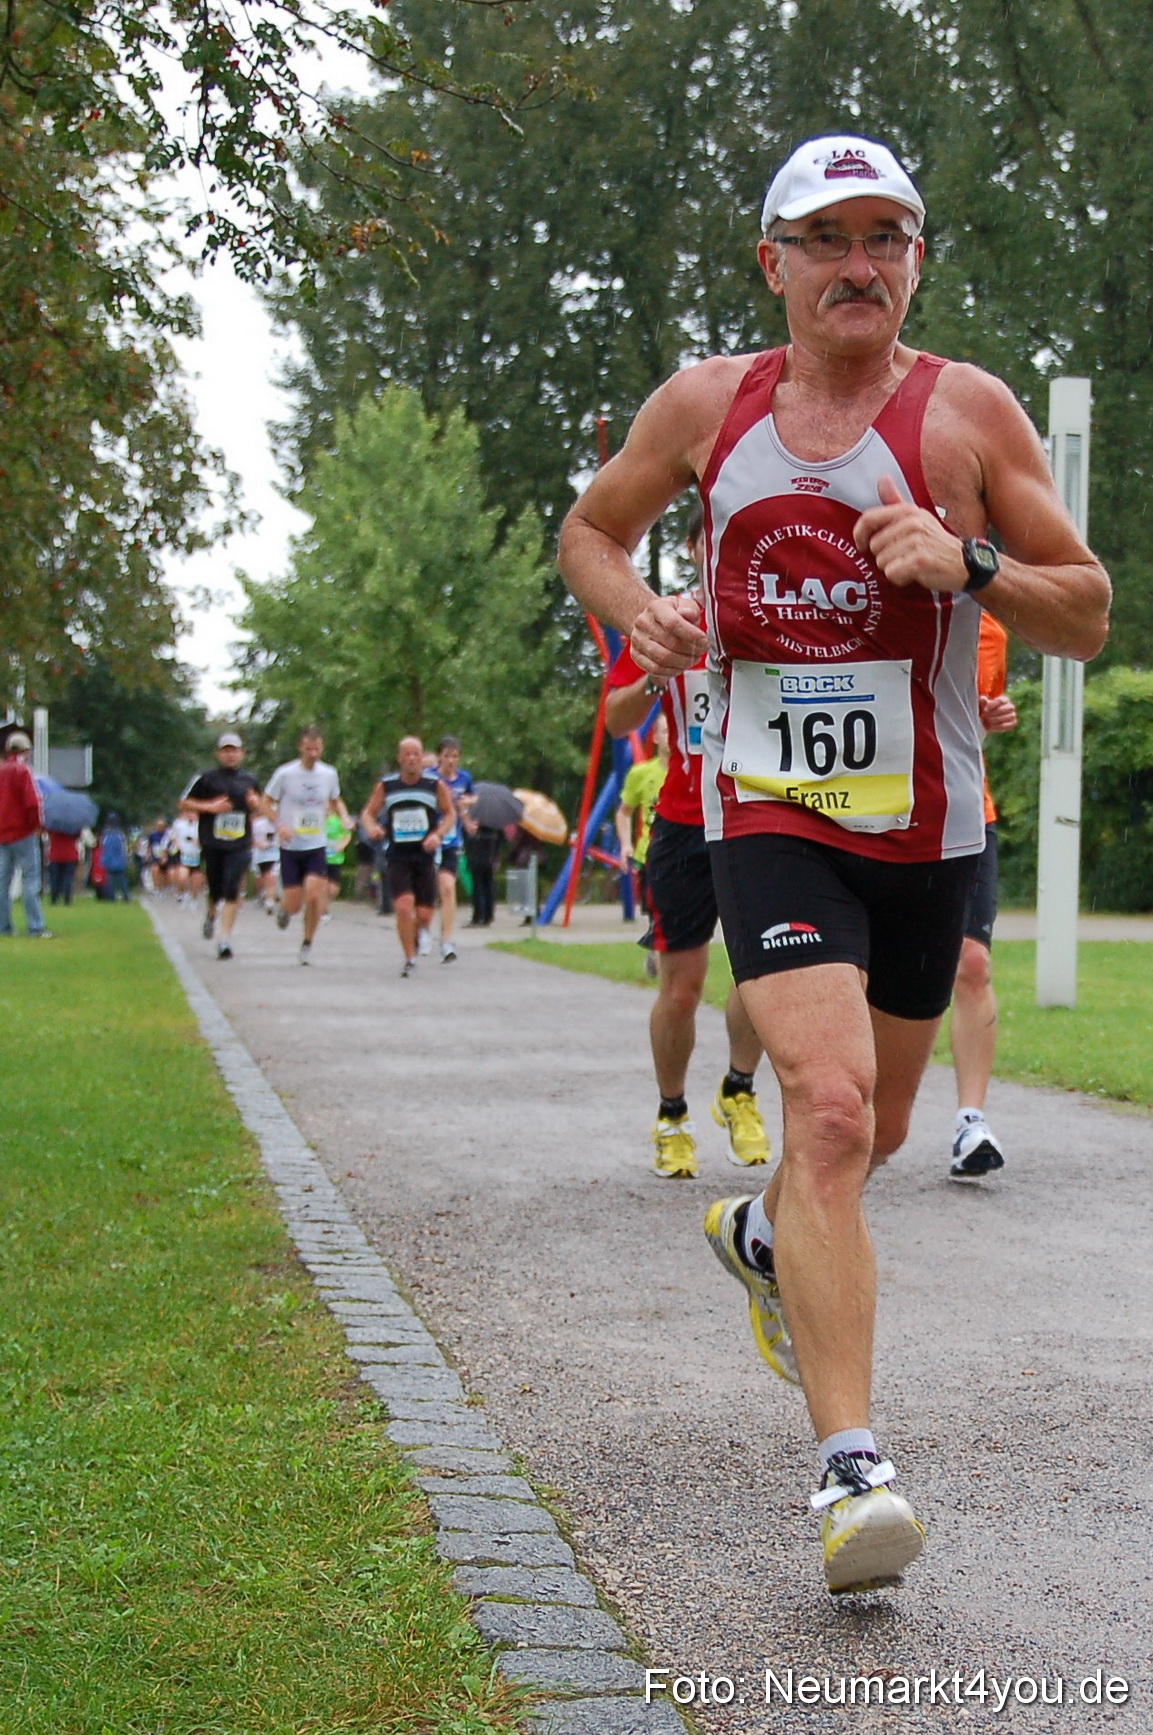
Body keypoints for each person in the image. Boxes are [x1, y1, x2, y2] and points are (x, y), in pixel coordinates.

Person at [558, 133, 1110, 1595]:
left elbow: (1088, 609)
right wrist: (645, 610)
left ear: (915, 259)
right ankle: (851, 1466)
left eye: (886, 236)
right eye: (826, 238)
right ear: (774, 262)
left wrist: (969, 564)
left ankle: (758, 1235)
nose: (857, 263)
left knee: (865, 1144)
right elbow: (590, 530)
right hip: (764, 809)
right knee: (827, 1106)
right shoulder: (704, 405)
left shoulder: (966, 413)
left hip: (926, 827)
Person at [607, 507, 773, 1183]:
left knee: (769, 981)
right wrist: (654, 669)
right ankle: (671, 1115)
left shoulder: (775, 610)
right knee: (681, 990)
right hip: (681, 822)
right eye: (713, 531)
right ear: (695, 546)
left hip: (762, 814)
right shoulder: (665, 617)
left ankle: (737, 1089)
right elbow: (617, 718)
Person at [949, 613, 1018, 1179]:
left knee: (972, 963)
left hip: (970, 810)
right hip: (882, 814)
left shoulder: (990, 627)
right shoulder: (871, 599)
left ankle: (970, 1123)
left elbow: (970, 721)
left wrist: (992, 717)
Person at [360, 735, 457, 977]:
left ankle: (421, 931)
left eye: (416, 754)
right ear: (399, 757)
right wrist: (373, 828)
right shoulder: (387, 785)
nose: (412, 759)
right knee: (404, 908)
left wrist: (438, 834)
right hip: (398, 854)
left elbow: (450, 814)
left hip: (425, 854)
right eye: (407, 754)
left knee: (424, 913)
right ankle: (409, 958)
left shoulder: (434, 784)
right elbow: (368, 813)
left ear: (422, 757)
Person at [263, 726, 350, 965]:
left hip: (316, 844)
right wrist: (279, 824)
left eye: (317, 749)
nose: (313, 754)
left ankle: (307, 942)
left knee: (313, 895)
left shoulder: (328, 774)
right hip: (291, 846)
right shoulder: (285, 774)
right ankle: (285, 910)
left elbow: (335, 798)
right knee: (294, 903)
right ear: (301, 747)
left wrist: (343, 816)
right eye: (309, 749)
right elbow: (265, 802)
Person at [180, 733, 262, 960]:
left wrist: (257, 805)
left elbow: (263, 808)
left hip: (240, 843)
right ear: (218, 754)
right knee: (216, 888)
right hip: (213, 842)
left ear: (241, 753)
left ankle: (224, 940)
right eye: (226, 750)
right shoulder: (206, 778)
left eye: (234, 750)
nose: (230, 754)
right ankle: (210, 913)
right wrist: (210, 806)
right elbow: (183, 802)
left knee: (232, 887)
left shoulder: (250, 780)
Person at [614, 711, 669, 927]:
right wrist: (626, 844)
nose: (670, 736)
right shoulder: (642, 773)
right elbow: (624, 812)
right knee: (657, 920)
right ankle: (657, 955)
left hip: (685, 855)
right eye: (665, 731)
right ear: (655, 737)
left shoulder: (692, 771)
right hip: (651, 856)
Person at [0, 730, 51, 939]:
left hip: (2, 835)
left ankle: (4, 926)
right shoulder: (23, 771)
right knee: (31, 880)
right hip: (22, 833)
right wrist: (37, 825)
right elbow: (32, 802)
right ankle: (35, 926)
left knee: (3, 882)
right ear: (26, 750)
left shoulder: (1, 771)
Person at [433, 735, 474, 962]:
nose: (451, 760)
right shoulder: (431, 778)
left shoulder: (464, 778)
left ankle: (447, 941)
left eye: (455, 756)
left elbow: (470, 798)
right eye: (447, 755)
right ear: (439, 756)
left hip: (451, 840)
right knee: (426, 891)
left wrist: (467, 815)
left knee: (448, 887)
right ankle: (421, 930)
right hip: (429, 839)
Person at [250, 812, 280, 913]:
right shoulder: (259, 824)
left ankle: (270, 902)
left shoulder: (281, 823)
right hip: (261, 855)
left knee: (271, 876)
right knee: (262, 878)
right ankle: (262, 894)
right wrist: (259, 844)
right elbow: (250, 837)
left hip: (275, 854)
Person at [98, 813, 131, 902]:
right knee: (121, 879)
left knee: (109, 880)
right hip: (119, 860)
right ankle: (126, 896)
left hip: (108, 860)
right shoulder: (120, 834)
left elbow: (103, 846)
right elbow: (123, 848)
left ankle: (111, 897)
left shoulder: (105, 834)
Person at [47, 829, 80, 906]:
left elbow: (49, 834)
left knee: (55, 879)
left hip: (55, 855)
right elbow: (78, 835)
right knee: (68, 878)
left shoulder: (53, 826)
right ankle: (67, 899)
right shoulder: (73, 826)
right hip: (70, 855)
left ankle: (54, 899)